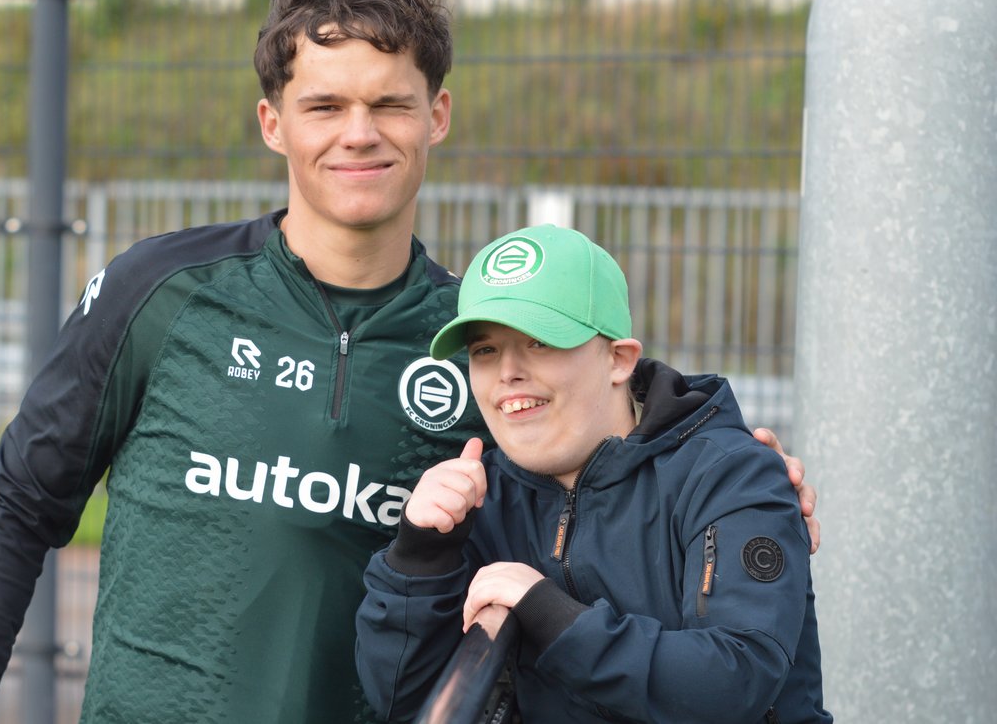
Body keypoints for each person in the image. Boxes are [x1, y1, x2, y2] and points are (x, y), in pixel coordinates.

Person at [0, 0, 816, 724]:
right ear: (273, 123)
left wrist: (727, 476)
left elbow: (599, 468)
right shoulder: (165, 291)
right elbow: (15, 509)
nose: (359, 135)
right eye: (324, 106)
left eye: (390, 104)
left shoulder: (472, 344)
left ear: (438, 116)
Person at [356, 225, 832, 723]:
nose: (507, 372)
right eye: (485, 350)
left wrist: (546, 612)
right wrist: (420, 556)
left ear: (619, 359)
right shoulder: (482, 495)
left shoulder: (731, 474)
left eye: (539, 342)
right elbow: (400, 698)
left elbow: (732, 683)